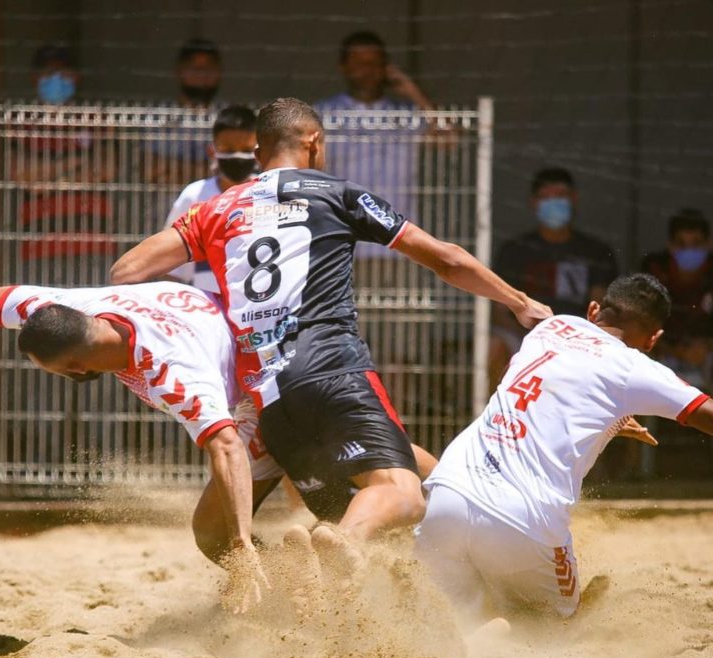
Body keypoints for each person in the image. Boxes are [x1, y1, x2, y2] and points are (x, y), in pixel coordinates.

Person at [110, 97, 551, 563]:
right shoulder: (336, 193)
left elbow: (125, 272)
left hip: (266, 399)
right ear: (313, 142)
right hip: (332, 369)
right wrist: (520, 303)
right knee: (404, 492)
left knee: (218, 533)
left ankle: (291, 586)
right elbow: (447, 259)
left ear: (257, 153)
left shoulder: (214, 209)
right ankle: (350, 543)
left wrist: (199, 319)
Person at [0, 282, 274, 613]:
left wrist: (241, 541)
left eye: (54, 371)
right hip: (263, 337)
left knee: (212, 533)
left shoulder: (168, 371)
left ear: (74, 366)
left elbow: (227, 445)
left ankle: (288, 581)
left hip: (268, 392)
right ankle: (297, 555)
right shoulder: (67, 305)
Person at [416, 273, 713, 627]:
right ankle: (507, 635)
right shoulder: (637, 368)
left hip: (447, 498)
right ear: (653, 338)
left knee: (453, 620)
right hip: (522, 520)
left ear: (593, 310)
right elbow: (704, 412)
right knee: (555, 629)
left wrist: (613, 421)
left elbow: (562, 388)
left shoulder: (551, 327)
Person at [489, 167, 619, 390]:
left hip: (581, 339)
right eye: (546, 197)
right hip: (525, 336)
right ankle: (496, 420)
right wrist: (532, 338)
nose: (554, 203)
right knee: (494, 346)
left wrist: (572, 340)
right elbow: (500, 311)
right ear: (534, 203)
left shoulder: (596, 251)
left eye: (560, 196)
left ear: (574, 199)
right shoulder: (514, 250)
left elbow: (600, 310)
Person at [314, 31, 433, 267]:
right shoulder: (323, 114)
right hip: (344, 241)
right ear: (343, 67)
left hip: (400, 240)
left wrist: (412, 91)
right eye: (359, 64)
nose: (367, 71)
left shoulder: (405, 115)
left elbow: (450, 139)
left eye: (375, 64)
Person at [10, 44, 116, 280]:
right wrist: (76, 162)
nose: (57, 79)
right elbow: (22, 175)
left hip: (92, 238)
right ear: (35, 78)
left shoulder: (92, 118)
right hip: (39, 238)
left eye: (63, 72)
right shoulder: (23, 122)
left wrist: (46, 180)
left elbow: (105, 169)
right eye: (49, 73)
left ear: (76, 78)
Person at [164, 105, 258, 293]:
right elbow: (170, 262)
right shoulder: (195, 196)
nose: (237, 156)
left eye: (246, 149)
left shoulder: (268, 194)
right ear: (212, 150)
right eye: (228, 149)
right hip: (206, 304)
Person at [641, 207, 713, 390]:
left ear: (708, 244)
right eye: (681, 244)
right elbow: (640, 320)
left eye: (696, 243)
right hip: (662, 351)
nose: (689, 250)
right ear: (670, 245)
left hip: (706, 355)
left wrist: (706, 347)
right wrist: (673, 350)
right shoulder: (655, 270)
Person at [145, 39, 224, 186]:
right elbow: (149, 170)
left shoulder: (228, 117)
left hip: (215, 205)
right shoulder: (159, 117)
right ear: (179, 71)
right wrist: (206, 171)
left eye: (208, 67)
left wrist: (172, 169)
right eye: (194, 67)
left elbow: (233, 173)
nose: (201, 74)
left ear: (219, 72)